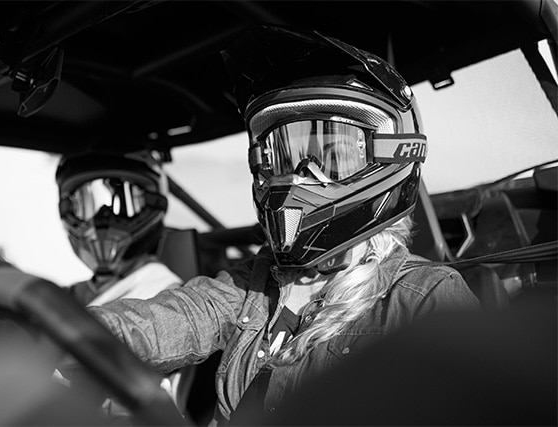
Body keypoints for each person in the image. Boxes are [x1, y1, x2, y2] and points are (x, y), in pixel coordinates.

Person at [86, 25, 480, 425]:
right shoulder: (255, 284)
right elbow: (168, 321)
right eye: (283, 156)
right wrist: (70, 336)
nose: (298, 176)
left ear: (388, 156)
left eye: (332, 156)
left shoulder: (424, 298)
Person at [55, 150, 194, 418]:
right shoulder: (76, 293)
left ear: (151, 204)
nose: (104, 218)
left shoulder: (164, 297)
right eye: (87, 202)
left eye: (123, 203)